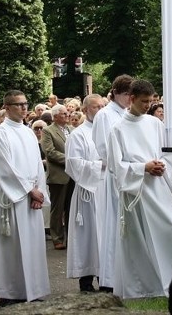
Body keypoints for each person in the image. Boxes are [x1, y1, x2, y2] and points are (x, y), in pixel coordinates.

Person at [107, 78, 172, 299]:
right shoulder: (117, 129)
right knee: (140, 242)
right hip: (137, 192)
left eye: (150, 101)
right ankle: (145, 288)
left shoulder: (155, 124)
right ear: (131, 99)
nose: (147, 106)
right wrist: (144, 167)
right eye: (144, 101)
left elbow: (167, 153)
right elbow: (116, 165)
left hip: (158, 188)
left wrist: (162, 165)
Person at [0, 91, 50, 306]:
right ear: (7, 106)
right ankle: (9, 292)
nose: (24, 108)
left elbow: (37, 166)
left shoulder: (29, 132)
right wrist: (28, 190)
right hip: (12, 197)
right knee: (11, 246)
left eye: (25, 104)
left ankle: (31, 289)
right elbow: (3, 167)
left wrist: (39, 191)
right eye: (18, 104)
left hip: (31, 197)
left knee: (32, 245)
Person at [92, 74, 133, 293]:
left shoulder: (127, 114)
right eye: (126, 94)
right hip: (113, 176)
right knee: (112, 226)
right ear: (116, 92)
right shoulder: (105, 115)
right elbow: (101, 147)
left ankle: (126, 274)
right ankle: (108, 277)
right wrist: (120, 164)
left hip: (129, 174)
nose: (129, 99)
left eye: (131, 95)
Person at [64, 93, 105, 293]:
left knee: (105, 236)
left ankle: (106, 277)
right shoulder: (78, 134)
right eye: (96, 107)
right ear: (86, 109)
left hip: (106, 192)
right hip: (88, 192)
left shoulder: (109, 132)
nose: (100, 110)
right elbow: (73, 164)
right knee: (88, 236)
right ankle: (86, 279)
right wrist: (100, 166)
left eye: (103, 106)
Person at [42, 104, 74, 250]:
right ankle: (57, 238)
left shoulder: (72, 130)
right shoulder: (48, 131)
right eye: (64, 114)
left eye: (67, 113)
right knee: (58, 209)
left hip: (74, 175)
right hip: (59, 175)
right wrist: (71, 159)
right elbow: (50, 152)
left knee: (71, 208)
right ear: (55, 116)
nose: (67, 115)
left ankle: (71, 237)